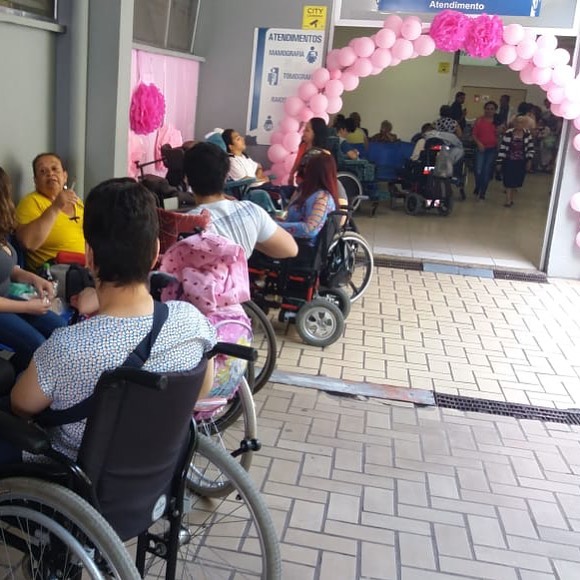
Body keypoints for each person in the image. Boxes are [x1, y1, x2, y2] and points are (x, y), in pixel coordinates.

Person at [7, 178, 217, 463]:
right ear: (155, 252)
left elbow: (21, 405)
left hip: (74, 480)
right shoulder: (191, 321)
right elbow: (202, 386)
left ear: (90, 257)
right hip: (154, 471)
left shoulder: (66, 348)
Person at [0, 167, 67, 374]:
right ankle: (20, 397)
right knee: (40, 347)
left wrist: (31, 278)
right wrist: (28, 307)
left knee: (61, 333)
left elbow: (7, 267)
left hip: (8, 298)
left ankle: (18, 373)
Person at [185, 142, 298, 260]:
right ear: (225, 177)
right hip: (240, 277)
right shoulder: (251, 211)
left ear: (187, 179)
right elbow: (291, 249)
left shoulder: (182, 225)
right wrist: (248, 240)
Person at [15, 153, 85, 271]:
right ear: (36, 181)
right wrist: (55, 207)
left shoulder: (77, 202)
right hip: (56, 272)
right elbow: (28, 243)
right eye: (42, 171)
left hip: (87, 267)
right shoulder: (31, 202)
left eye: (54, 169)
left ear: (65, 176)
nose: (50, 173)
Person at [279, 154, 339, 245]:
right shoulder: (306, 191)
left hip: (301, 245)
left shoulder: (322, 198)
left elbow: (310, 229)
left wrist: (277, 227)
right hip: (290, 239)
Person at [220, 128, 279, 214]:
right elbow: (245, 180)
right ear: (231, 146)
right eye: (238, 139)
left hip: (259, 185)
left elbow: (259, 167)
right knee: (264, 194)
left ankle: (281, 216)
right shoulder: (231, 161)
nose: (243, 139)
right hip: (247, 191)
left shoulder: (245, 157)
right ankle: (274, 216)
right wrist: (260, 178)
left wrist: (260, 177)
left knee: (282, 190)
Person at [496, 115, 535, 207]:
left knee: (516, 180)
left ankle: (511, 197)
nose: (519, 124)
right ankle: (508, 200)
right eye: (517, 122)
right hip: (509, 160)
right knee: (508, 179)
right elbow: (503, 147)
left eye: (521, 122)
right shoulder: (509, 133)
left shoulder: (527, 134)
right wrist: (499, 161)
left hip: (521, 161)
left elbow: (530, 148)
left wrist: (529, 160)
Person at [288, 117, 329, 186]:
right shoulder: (303, 146)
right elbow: (297, 161)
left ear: (316, 133)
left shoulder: (321, 153)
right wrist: (291, 175)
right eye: (304, 129)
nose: (303, 132)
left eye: (307, 130)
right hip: (300, 183)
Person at [472, 101, 499, 200]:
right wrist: (479, 143)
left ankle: (483, 191)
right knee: (478, 170)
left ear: (495, 110)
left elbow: (500, 134)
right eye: (487, 108)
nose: (489, 111)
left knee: (486, 170)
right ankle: (478, 185)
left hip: (492, 149)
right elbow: (474, 134)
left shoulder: (497, 122)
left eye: (492, 109)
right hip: (481, 148)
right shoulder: (479, 120)